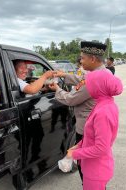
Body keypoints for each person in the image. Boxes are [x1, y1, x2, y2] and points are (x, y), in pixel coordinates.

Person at [49, 41, 107, 182]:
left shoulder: (94, 79)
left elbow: (71, 99)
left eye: (82, 58)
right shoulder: (101, 73)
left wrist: (57, 89)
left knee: (87, 169)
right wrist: (64, 75)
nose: (80, 61)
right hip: (96, 125)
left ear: (92, 59)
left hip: (88, 128)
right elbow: (81, 79)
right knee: (94, 167)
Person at [66, 70, 123, 190]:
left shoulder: (104, 112)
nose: (87, 86)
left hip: (96, 170)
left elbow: (101, 148)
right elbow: (92, 135)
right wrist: (79, 145)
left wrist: (75, 154)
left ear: (98, 87)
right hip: (93, 167)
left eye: (89, 83)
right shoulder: (103, 103)